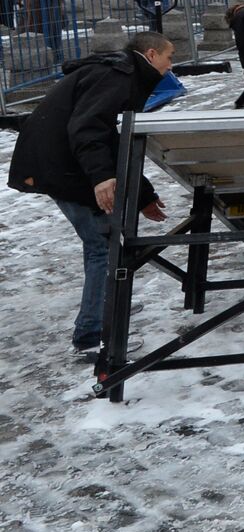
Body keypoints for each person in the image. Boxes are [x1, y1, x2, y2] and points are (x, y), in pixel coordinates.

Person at [7, 32, 173, 358]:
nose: (171, 66)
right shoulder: (118, 76)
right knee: (102, 245)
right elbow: (88, 129)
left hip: (64, 163)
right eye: (169, 57)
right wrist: (102, 179)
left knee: (105, 242)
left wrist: (142, 196)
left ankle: (104, 306)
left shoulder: (124, 74)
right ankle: (91, 336)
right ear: (151, 54)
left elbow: (116, 142)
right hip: (61, 167)